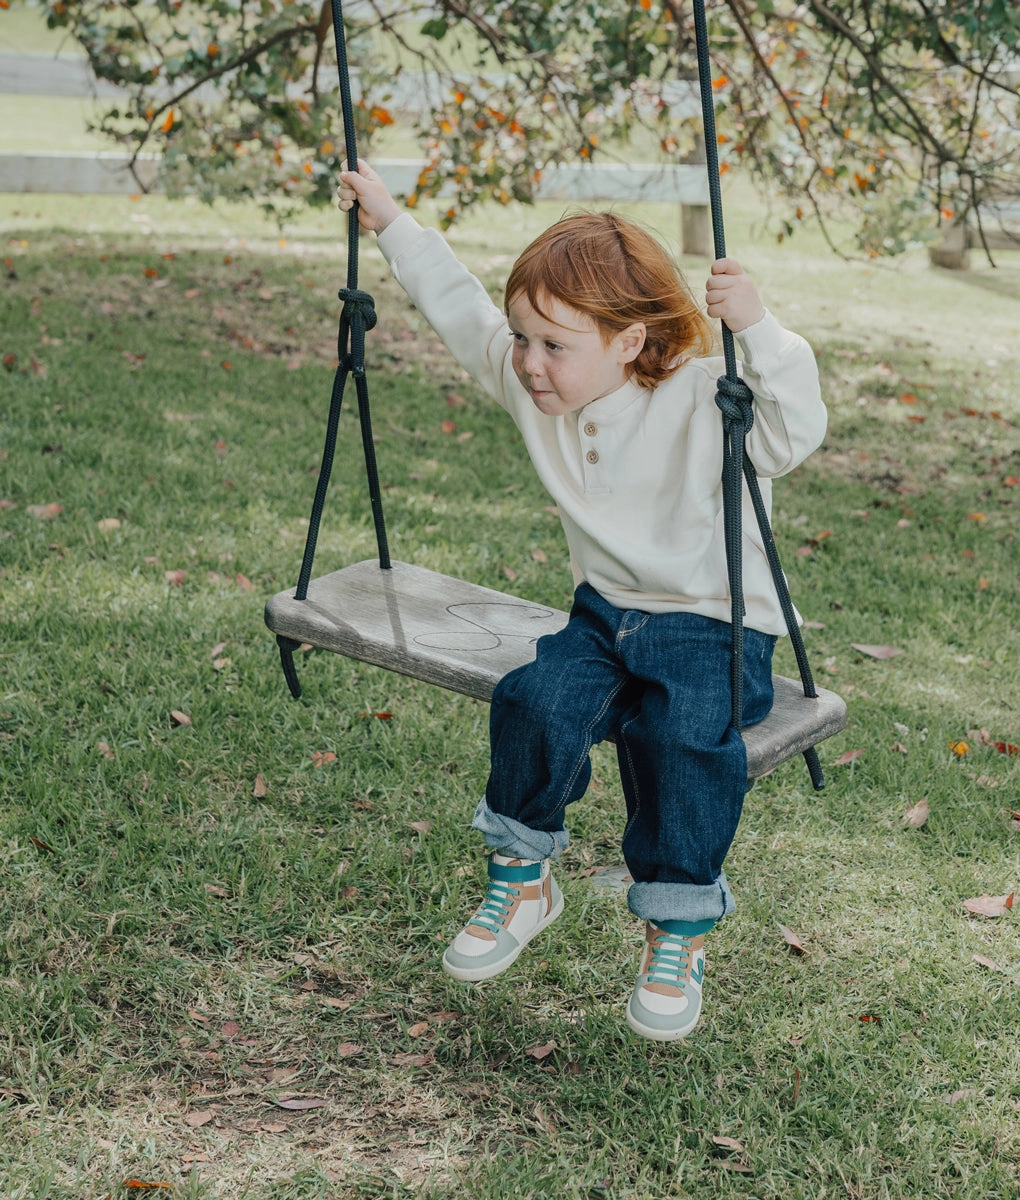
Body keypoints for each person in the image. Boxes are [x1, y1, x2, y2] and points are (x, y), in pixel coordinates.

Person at [337, 161, 826, 1041]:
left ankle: (676, 927)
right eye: (524, 338)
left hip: (714, 621)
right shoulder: (539, 386)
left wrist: (757, 328)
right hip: (604, 614)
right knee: (534, 700)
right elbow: (457, 305)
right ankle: (524, 879)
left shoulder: (699, 397)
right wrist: (389, 222)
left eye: (553, 345)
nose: (527, 362)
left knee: (680, 734)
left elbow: (792, 436)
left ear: (630, 344)